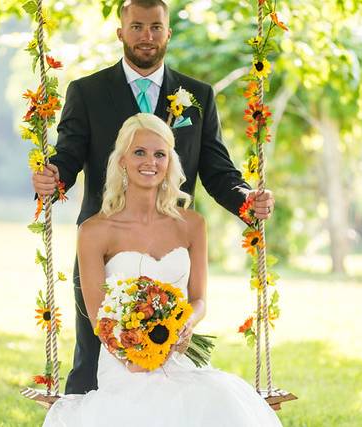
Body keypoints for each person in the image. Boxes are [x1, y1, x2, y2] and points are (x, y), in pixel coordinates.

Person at [32, 0, 275, 395]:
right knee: (95, 356)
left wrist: (247, 199)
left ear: (168, 32)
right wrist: (52, 176)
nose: (147, 36)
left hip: (170, 241)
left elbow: (217, 170)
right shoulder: (88, 91)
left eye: (156, 27)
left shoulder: (197, 95)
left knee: (165, 347)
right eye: (137, 27)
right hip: (108, 249)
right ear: (121, 32)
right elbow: (68, 155)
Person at [42, 113, 281, 426]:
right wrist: (138, 353)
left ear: (170, 162)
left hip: (180, 359)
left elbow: (198, 300)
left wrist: (185, 324)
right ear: (122, 160)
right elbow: (100, 318)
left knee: (220, 398)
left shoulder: (192, 225)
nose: (149, 162)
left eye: (160, 154)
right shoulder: (94, 231)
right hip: (123, 364)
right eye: (139, 152)